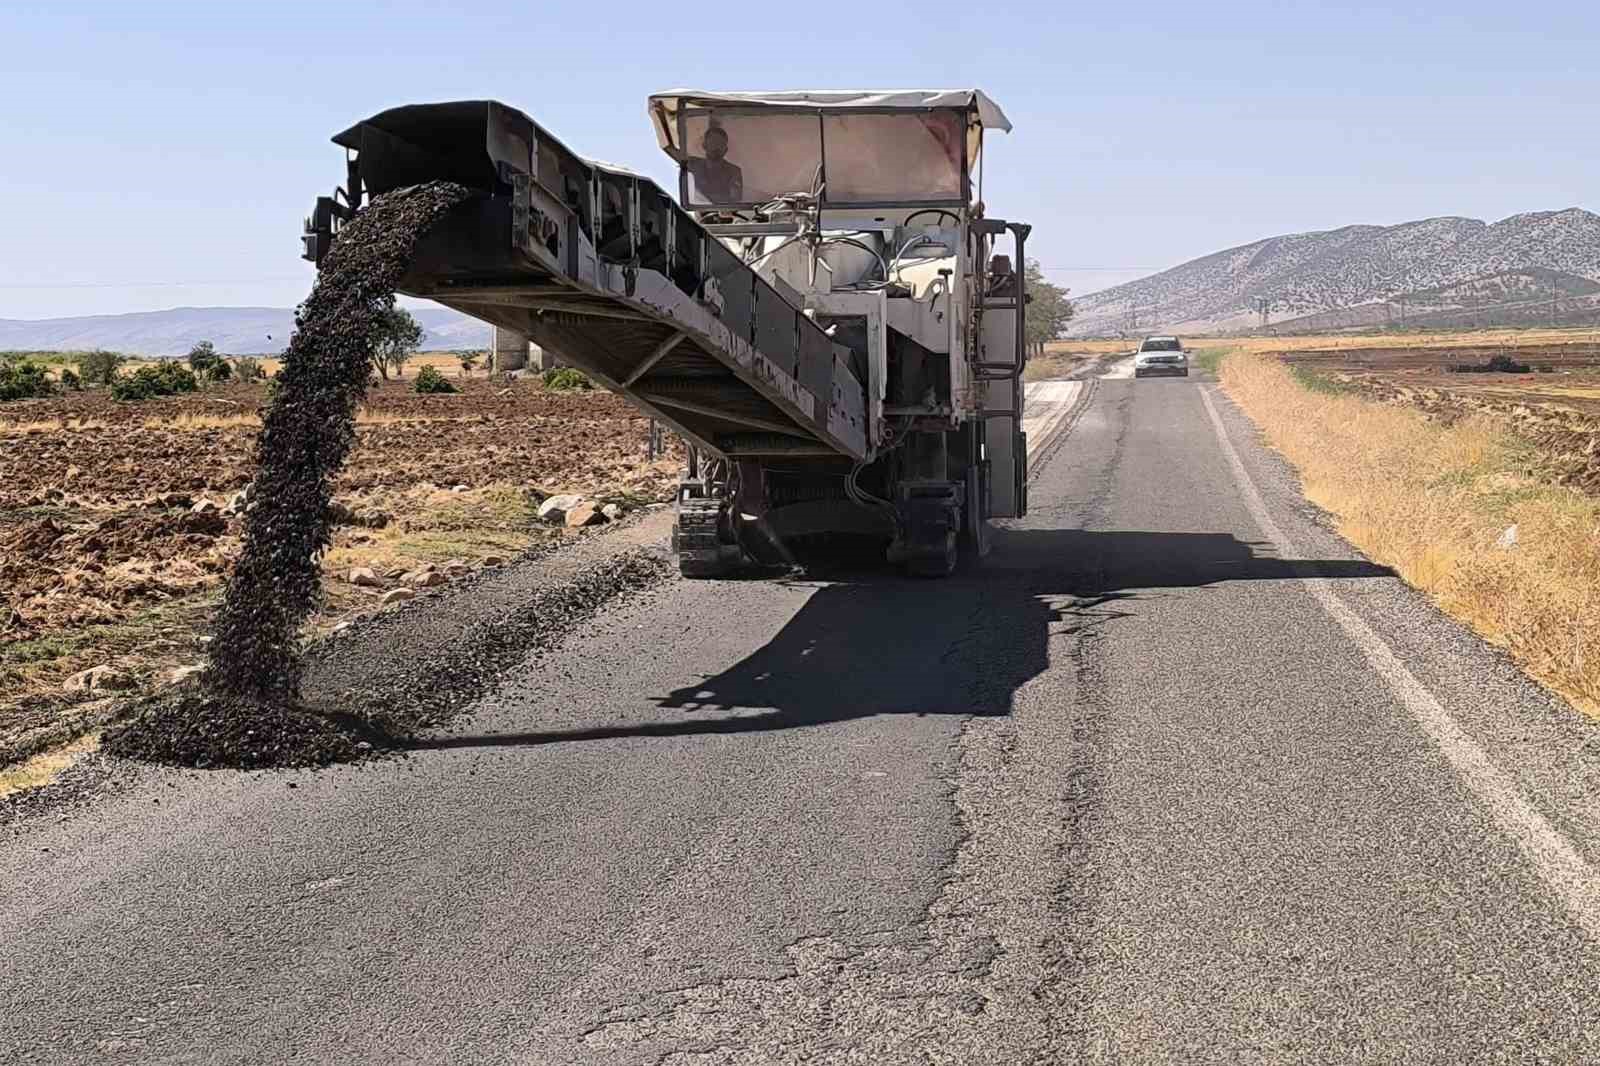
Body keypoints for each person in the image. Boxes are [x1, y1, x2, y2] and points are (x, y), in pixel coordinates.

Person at [686, 126, 744, 204]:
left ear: (726, 150)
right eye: (713, 142)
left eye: (720, 144)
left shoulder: (734, 171)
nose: (716, 147)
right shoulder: (692, 164)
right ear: (704, 146)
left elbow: (735, 200)